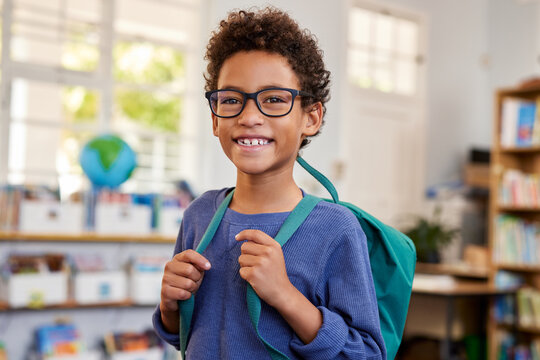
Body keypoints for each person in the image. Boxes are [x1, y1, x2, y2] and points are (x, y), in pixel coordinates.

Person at [153, 7, 386, 359]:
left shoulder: (336, 229)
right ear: (215, 118)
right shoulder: (199, 215)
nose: (249, 117)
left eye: (274, 100)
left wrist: (284, 295)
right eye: (231, 100)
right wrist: (170, 308)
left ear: (310, 117)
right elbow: (187, 336)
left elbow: (367, 354)